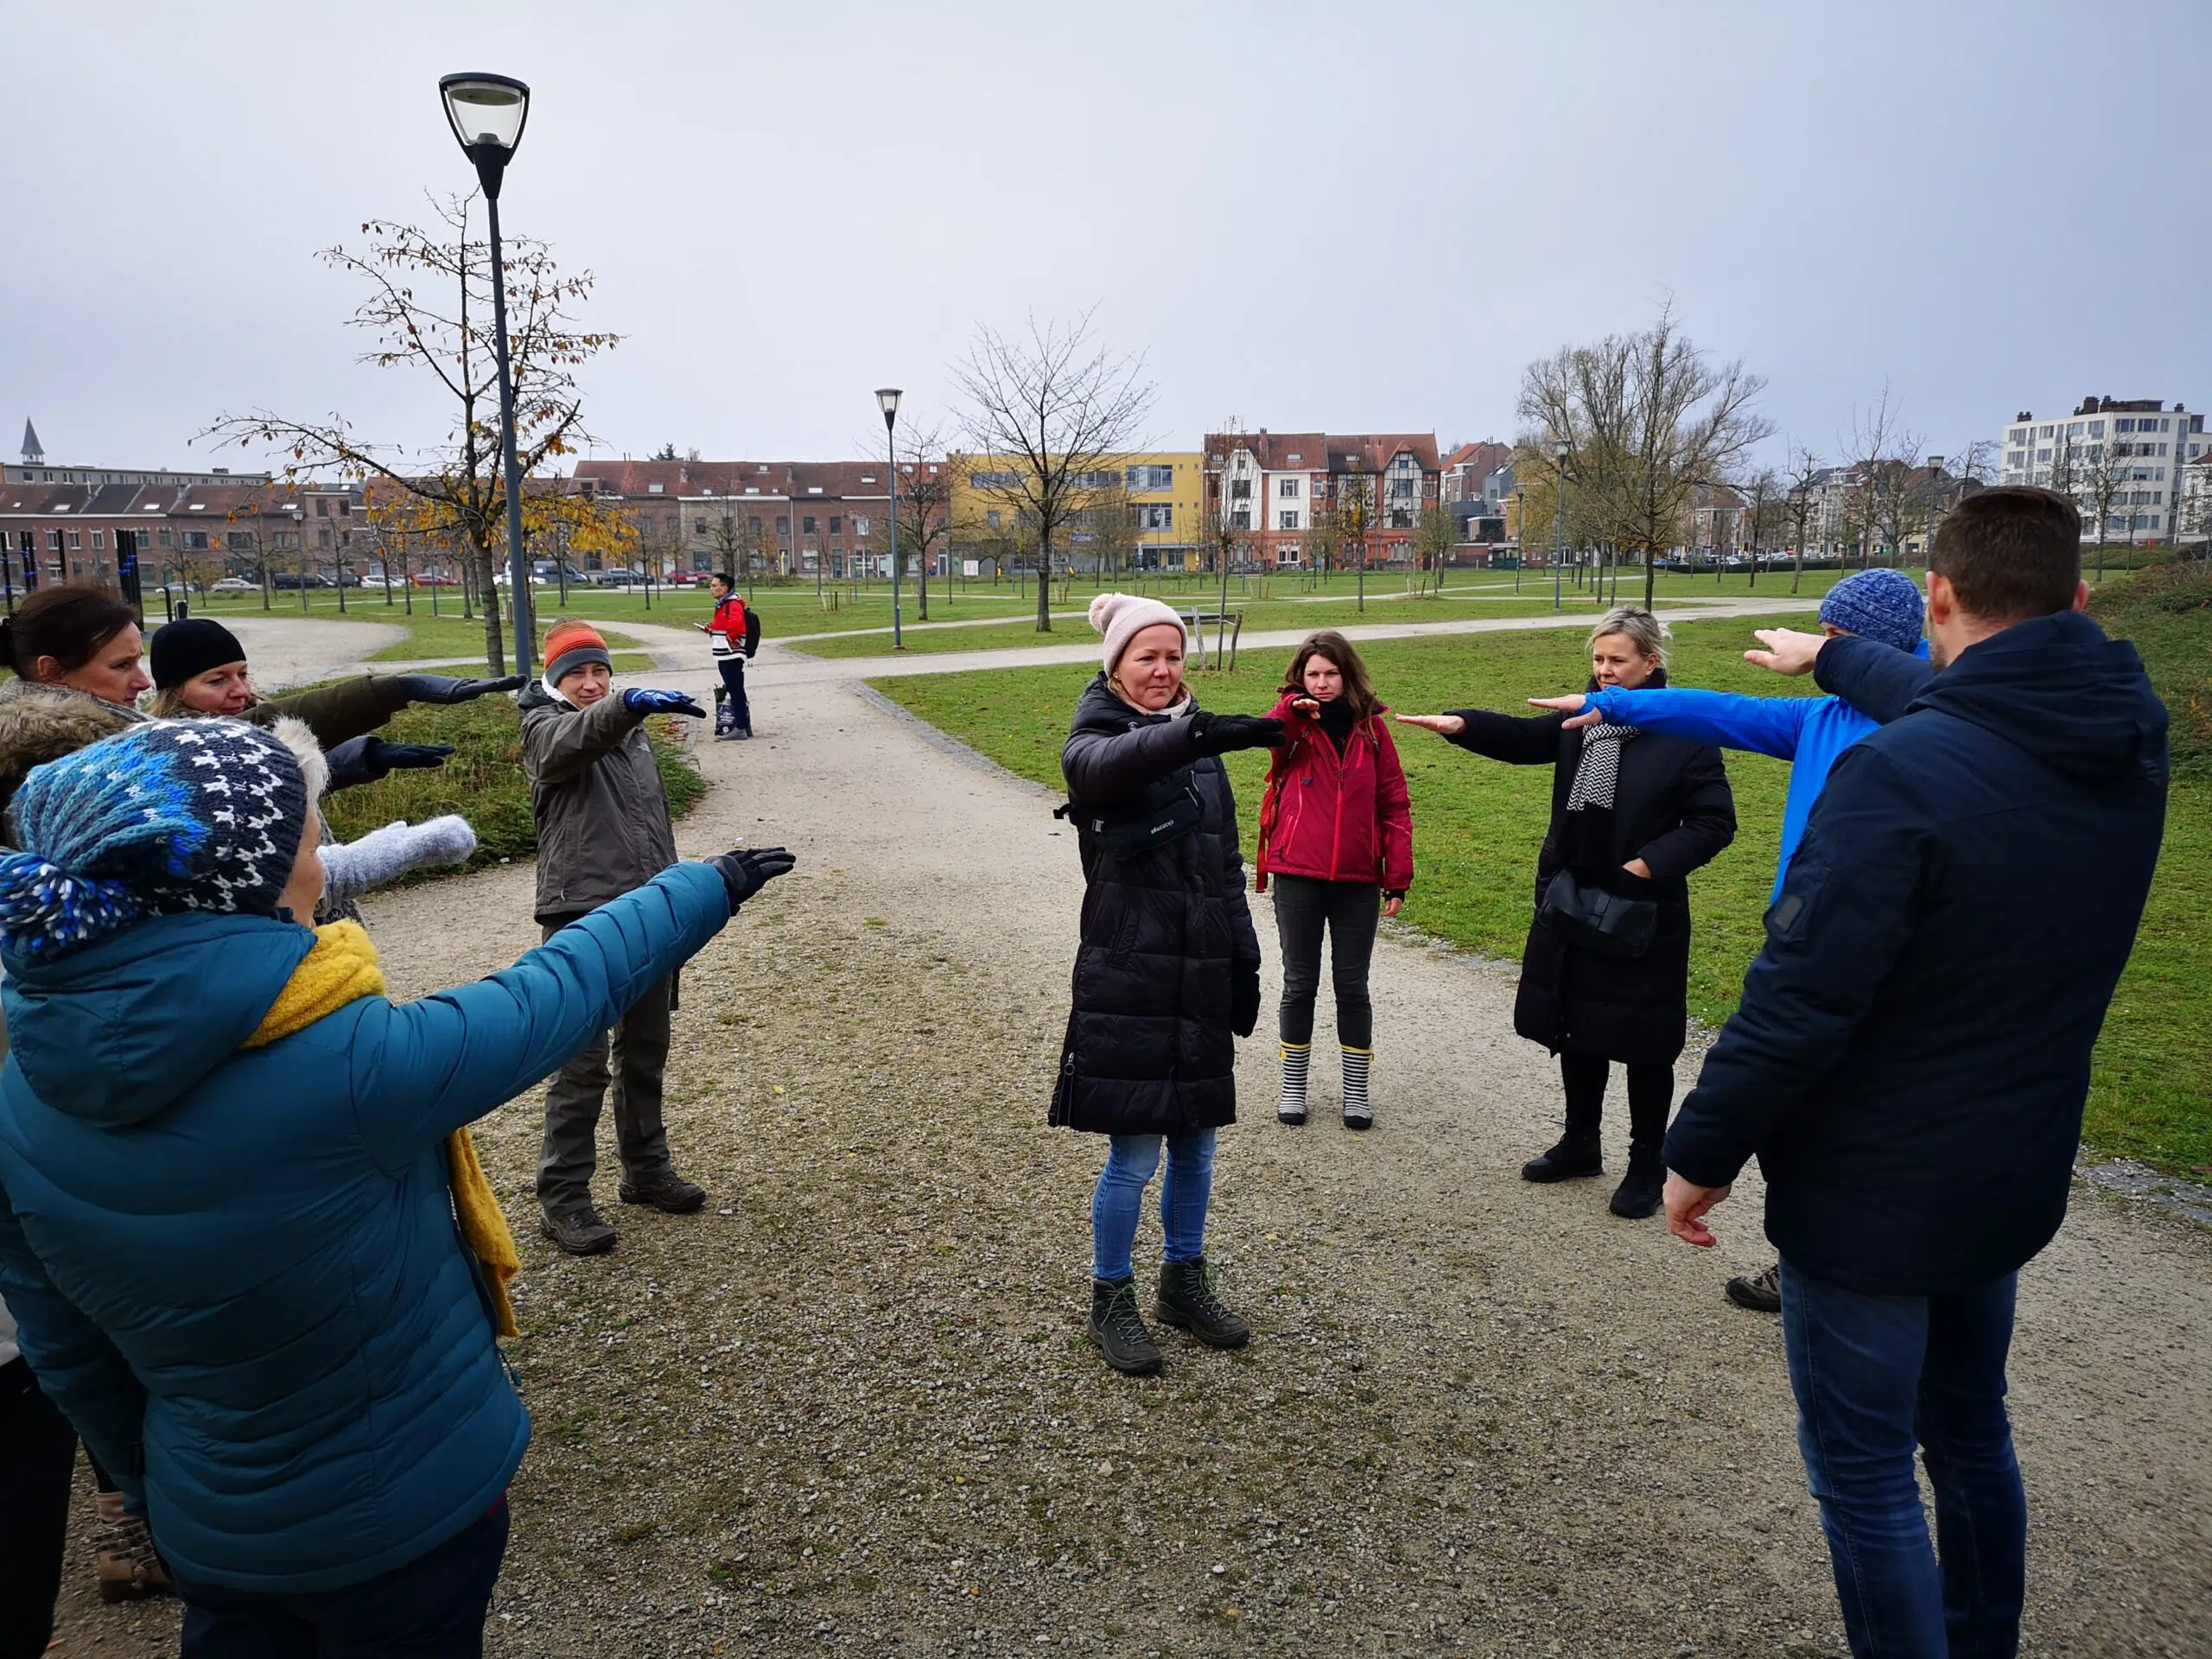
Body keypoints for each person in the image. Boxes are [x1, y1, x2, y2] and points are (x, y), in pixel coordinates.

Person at [0, 715, 793, 1656]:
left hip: (211, 1528)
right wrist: (705, 884)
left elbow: (63, 1345)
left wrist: (150, 1487)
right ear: (251, 884)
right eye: (310, 843)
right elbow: (558, 989)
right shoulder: (351, 1066)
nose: (321, 863)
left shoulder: (21, 1090)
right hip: (399, 1522)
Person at [1661, 488, 2167, 1659]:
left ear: (1935, 596)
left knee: (1867, 1475)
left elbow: (1798, 1000)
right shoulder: (2121, 738)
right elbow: (1959, 697)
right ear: (2077, 599)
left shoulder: (1897, 775)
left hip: (1872, 1196)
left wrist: (1701, 1151)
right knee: (1973, 1433)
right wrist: (1835, 658)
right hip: (2011, 1169)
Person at [1524, 568, 1926, 1311]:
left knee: (1873, 1113)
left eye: (1837, 638)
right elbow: (1721, 711)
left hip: (1895, 953)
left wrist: (1647, 864)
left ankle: (1866, 1276)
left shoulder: (1937, 722)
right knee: (1804, 1109)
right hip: (1807, 940)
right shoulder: (1822, 718)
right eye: (1824, 634)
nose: (1822, 647)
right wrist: (1613, 703)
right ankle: (1803, 1260)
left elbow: (1713, 814)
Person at [1396, 607, 1735, 1220]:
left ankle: (1646, 1163)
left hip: (1641, 910)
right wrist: (1462, 724)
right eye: (1598, 659)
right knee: (1577, 1024)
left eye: (1617, 661)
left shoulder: (1685, 732)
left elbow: (1714, 822)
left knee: (1645, 1042)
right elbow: (1527, 738)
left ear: (1651, 663)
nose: (1604, 671)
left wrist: (1647, 866)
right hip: (1574, 897)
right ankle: (1581, 1143)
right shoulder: (1585, 720)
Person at [1056, 593, 1281, 1376]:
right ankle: (1110, 1294)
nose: (1162, 670)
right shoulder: (1096, 734)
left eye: (1173, 656)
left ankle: (1183, 1280)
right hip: (1132, 971)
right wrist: (1194, 734)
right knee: (1134, 1154)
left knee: (1198, 1145)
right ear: (1115, 664)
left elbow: (1226, 864)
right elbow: (1104, 772)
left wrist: (1243, 959)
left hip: (1201, 966)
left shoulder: (1200, 740)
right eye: (1146, 656)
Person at [520, 620, 718, 1256]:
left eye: (599, 671)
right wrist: (625, 705)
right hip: (581, 914)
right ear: (555, 679)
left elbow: (649, 820)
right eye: (576, 673)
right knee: (580, 1064)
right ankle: (564, 1199)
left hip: (648, 910)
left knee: (645, 1050)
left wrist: (677, 900)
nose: (589, 683)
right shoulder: (542, 726)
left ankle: (646, 1169)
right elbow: (568, 745)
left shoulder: (629, 728)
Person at [1255, 631, 1414, 1129]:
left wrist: (1397, 875)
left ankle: (1356, 1091)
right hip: (1297, 872)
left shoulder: (1373, 730)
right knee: (1299, 983)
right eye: (1313, 674)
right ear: (1300, 678)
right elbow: (1270, 739)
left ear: (1348, 675)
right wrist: (1291, 711)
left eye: (1331, 673)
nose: (1322, 683)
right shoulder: (1294, 723)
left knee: (1352, 985)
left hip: (1358, 877)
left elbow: (1394, 802)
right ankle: (1293, 1086)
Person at [148, 614, 523, 787]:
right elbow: (256, 735)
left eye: (242, 674)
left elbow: (283, 769)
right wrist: (397, 689)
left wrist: (366, 756)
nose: (240, 691)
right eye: (217, 681)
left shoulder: (246, 721)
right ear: (173, 691)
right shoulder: (173, 748)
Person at [694, 573, 762, 741]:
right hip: (724, 654)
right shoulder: (723, 605)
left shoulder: (732, 604)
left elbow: (736, 625)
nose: (711, 589)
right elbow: (725, 625)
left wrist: (731, 640)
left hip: (731, 654)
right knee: (735, 688)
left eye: (714, 585)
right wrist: (711, 629)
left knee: (735, 689)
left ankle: (740, 727)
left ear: (724, 588)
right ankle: (744, 725)